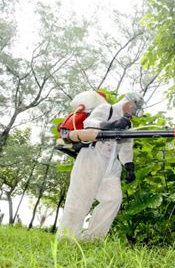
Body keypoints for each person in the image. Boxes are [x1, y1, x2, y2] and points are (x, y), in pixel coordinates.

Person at [57, 92, 144, 240]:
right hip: (91, 157)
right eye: (134, 108)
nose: (134, 112)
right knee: (81, 198)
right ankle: (66, 238)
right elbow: (90, 124)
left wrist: (129, 167)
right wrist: (112, 125)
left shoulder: (129, 124)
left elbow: (126, 147)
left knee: (113, 199)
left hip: (110, 165)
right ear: (128, 103)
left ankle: (93, 238)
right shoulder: (106, 109)